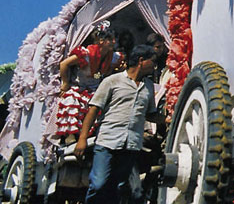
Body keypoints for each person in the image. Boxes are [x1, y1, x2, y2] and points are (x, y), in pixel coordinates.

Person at [76, 45, 161, 203]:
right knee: (99, 184)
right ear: (141, 61)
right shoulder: (112, 81)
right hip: (107, 141)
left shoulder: (148, 86)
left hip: (131, 144)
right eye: (153, 62)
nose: (154, 66)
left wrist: (166, 119)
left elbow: (151, 114)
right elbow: (93, 110)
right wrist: (82, 139)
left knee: (118, 187)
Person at [56, 25, 123, 142]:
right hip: (78, 86)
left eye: (114, 39)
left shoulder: (113, 57)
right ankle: (70, 135)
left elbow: (100, 73)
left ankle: (90, 134)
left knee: (100, 104)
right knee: (71, 100)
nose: (113, 42)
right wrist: (65, 83)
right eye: (110, 39)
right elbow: (64, 65)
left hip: (95, 87)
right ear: (101, 40)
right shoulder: (86, 53)